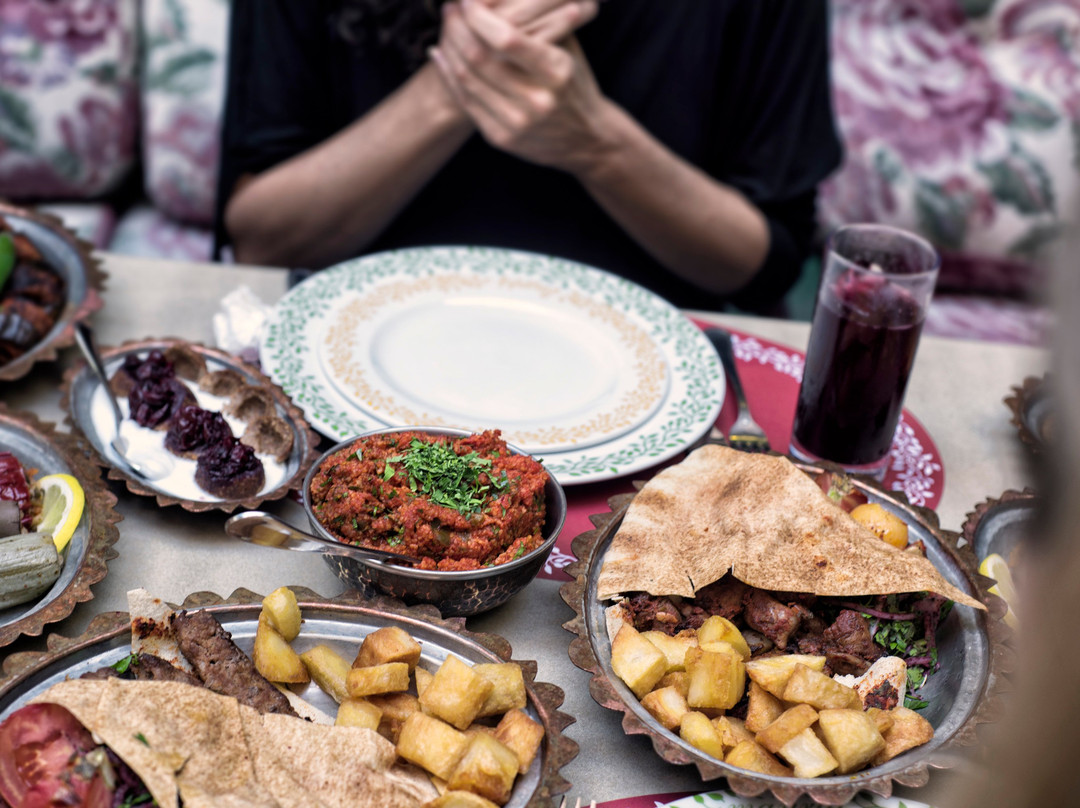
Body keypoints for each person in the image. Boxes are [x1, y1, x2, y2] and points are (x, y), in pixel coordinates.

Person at [214, 0, 842, 312]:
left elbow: (767, 263)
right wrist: (455, 85)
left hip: (651, 372)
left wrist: (596, 142)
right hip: (348, 344)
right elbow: (261, 239)